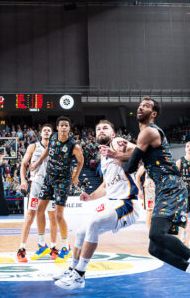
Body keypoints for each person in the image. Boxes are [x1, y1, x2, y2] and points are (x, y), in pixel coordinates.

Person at [54, 120, 140, 290]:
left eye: (105, 128)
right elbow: (107, 186)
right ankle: (72, 269)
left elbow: (140, 151)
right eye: (98, 129)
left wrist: (116, 155)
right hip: (113, 203)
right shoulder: (104, 156)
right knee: (80, 232)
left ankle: (80, 275)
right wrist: (91, 196)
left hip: (127, 203)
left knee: (94, 224)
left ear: (113, 134)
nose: (101, 130)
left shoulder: (116, 143)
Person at [111, 97, 190, 273]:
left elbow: (131, 165)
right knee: (154, 248)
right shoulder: (146, 136)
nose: (140, 108)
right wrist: (118, 155)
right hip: (165, 189)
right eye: (139, 105)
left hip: (171, 188)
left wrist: (120, 155)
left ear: (153, 114)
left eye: (146, 106)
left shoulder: (148, 132)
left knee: (156, 234)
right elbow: (139, 159)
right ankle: (188, 267)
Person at [30, 116, 84, 262]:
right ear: (58, 128)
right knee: (39, 210)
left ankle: (66, 247)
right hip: (49, 178)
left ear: (69, 128)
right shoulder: (53, 138)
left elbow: (81, 161)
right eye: (62, 125)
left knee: (58, 215)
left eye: (67, 125)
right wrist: (37, 163)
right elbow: (48, 150)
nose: (64, 127)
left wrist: (76, 176)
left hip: (63, 181)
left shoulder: (74, 145)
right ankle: (42, 245)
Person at [17, 124, 58, 262]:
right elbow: (23, 164)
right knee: (30, 216)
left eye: (49, 130)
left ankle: (52, 247)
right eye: (44, 130)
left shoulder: (56, 147)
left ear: (51, 134)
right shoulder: (33, 146)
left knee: (52, 216)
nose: (47, 132)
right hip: (36, 183)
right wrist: (23, 180)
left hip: (51, 185)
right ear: (40, 133)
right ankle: (21, 249)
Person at [176, 141, 190, 245]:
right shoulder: (180, 161)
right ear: (185, 148)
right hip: (184, 193)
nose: (189, 148)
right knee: (184, 216)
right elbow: (175, 178)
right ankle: (183, 235)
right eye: (187, 146)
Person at [136, 164, 155, 229]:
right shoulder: (145, 165)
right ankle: (149, 230)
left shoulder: (161, 163)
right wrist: (139, 190)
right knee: (149, 210)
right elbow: (137, 176)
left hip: (159, 189)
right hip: (149, 190)